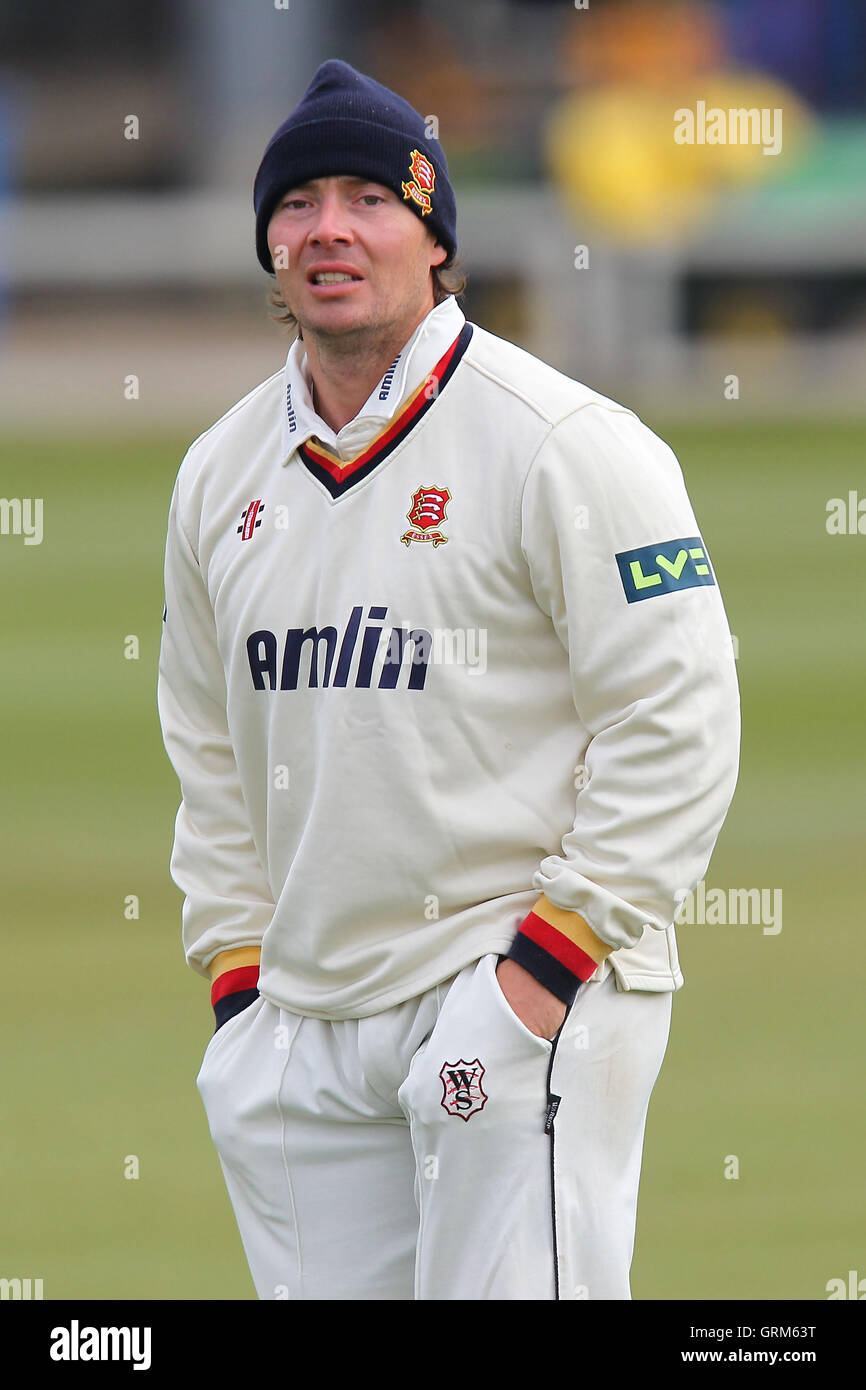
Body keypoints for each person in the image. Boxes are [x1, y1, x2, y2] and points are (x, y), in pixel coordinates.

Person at [157, 59, 740, 1302]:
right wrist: (240, 989)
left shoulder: (561, 442)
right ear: (266, 237)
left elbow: (677, 717)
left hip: (513, 985)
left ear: (435, 240)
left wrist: (541, 973)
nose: (328, 228)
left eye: (369, 197)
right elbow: (208, 753)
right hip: (303, 1026)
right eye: (298, 200)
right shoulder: (218, 475)